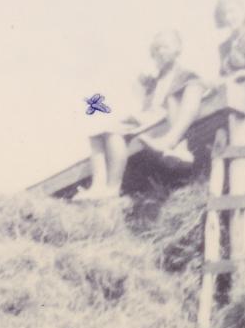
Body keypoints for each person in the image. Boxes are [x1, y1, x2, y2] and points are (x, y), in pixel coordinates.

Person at [75, 31, 205, 202]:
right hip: (150, 119)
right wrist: (141, 96)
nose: (160, 52)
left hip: (166, 121)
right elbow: (145, 104)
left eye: (165, 47)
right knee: (100, 131)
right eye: (156, 49)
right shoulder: (153, 80)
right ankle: (101, 186)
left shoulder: (186, 75)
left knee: (117, 131)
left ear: (177, 50)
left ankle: (113, 187)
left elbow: (183, 100)